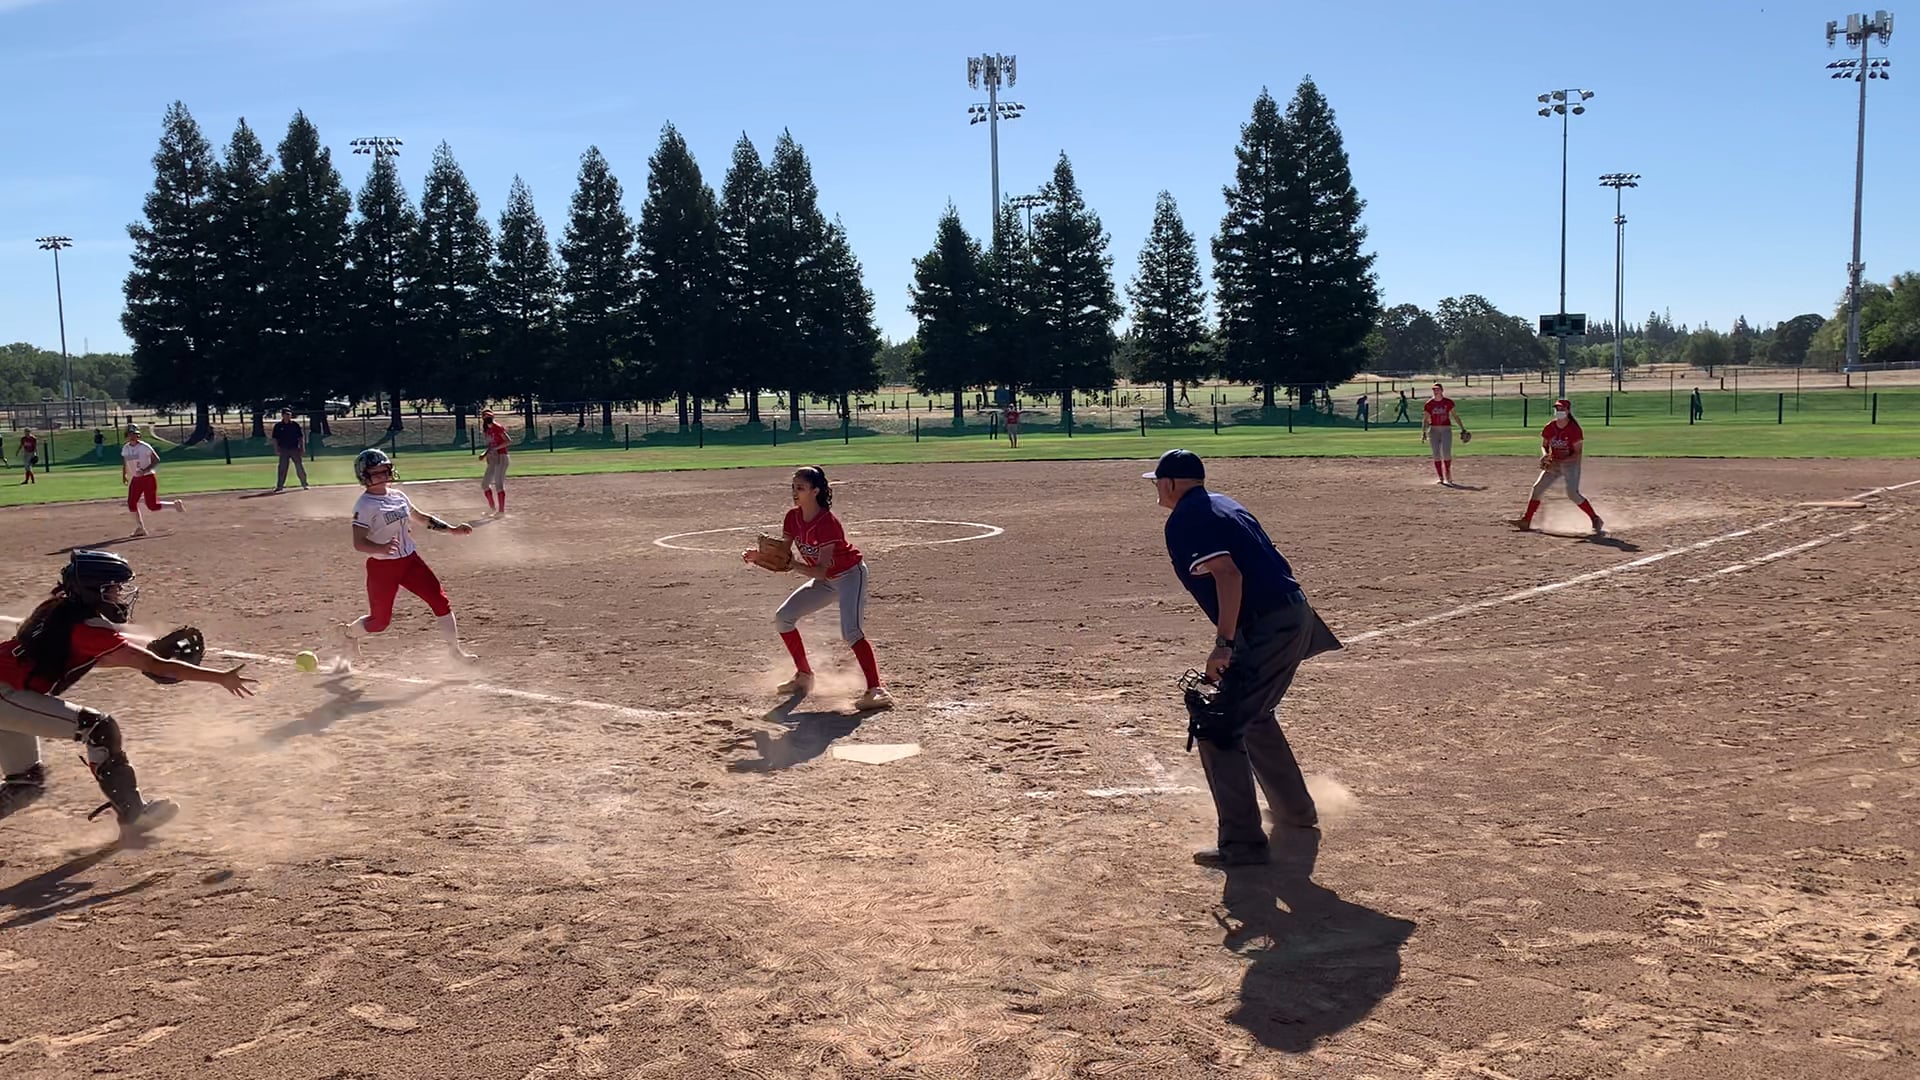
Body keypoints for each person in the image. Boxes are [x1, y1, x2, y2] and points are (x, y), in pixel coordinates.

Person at [1145, 449, 1342, 868]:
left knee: (1218, 725)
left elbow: (1228, 574)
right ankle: (1295, 810)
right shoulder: (1224, 504)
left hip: (1268, 624)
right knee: (1253, 714)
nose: (1156, 489)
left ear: (1171, 483)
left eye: (1158, 482)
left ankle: (1243, 844)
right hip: (1293, 615)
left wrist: (1224, 644)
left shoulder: (1187, 518)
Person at [0, 550, 258, 834]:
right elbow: (157, 666)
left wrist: (142, 660)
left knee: (26, 783)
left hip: (9, 694)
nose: (119, 594)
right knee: (99, 728)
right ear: (92, 591)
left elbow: (91, 657)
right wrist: (220, 677)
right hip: (5, 695)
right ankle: (135, 814)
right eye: (112, 588)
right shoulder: (87, 629)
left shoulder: (57, 609)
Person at [742, 466, 892, 712]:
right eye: (793, 487)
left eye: (801, 488)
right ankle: (804, 675)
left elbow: (821, 570)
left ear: (815, 491)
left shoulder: (828, 524)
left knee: (851, 631)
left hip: (849, 576)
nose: (795, 492)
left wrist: (793, 565)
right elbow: (783, 556)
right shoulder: (792, 517)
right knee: (783, 618)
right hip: (825, 581)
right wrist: (759, 557)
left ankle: (877, 689)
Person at [335, 448, 479, 667]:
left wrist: (452, 529)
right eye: (376, 472)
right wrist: (381, 548)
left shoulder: (398, 496)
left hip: (410, 561)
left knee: (439, 601)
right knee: (380, 621)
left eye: (385, 470)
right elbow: (359, 542)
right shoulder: (365, 505)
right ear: (364, 476)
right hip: (383, 567)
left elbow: (421, 518)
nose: (383, 475)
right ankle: (348, 634)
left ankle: (455, 651)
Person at [1511, 399, 1605, 534]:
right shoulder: (1550, 427)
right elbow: (1544, 445)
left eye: (1562, 409)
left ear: (1568, 411)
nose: (1559, 411)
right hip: (1554, 463)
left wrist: (1561, 461)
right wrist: (1545, 455)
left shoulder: (1574, 429)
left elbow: (1577, 453)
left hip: (1571, 464)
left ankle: (1595, 519)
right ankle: (1526, 520)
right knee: (1537, 488)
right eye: (1557, 409)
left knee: (1572, 494)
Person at [122, 425, 186, 536]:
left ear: (138, 435)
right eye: (130, 434)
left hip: (148, 478)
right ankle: (140, 528)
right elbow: (125, 462)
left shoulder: (144, 447)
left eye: (134, 434)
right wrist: (124, 474)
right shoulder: (125, 448)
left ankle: (175, 505)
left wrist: (145, 470)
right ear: (126, 435)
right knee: (131, 503)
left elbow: (156, 459)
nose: (132, 436)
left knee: (152, 505)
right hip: (136, 479)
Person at [1420, 383, 1470, 486]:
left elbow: (1455, 416)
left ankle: (1448, 475)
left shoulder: (1448, 402)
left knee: (1446, 452)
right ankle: (1441, 478)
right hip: (1433, 430)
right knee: (1436, 454)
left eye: (1437, 389)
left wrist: (1462, 428)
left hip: (1446, 429)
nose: (1435, 391)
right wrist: (1424, 432)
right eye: (1434, 390)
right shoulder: (1429, 404)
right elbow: (1425, 419)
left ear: (1442, 390)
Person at [479, 409, 511, 516]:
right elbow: (490, 446)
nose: (487, 419)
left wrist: (496, 448)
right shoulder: (487, 430)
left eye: (489, 417)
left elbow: (508, 441)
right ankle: (492, 509)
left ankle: (501, 511)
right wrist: (484, 454)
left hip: (501, 457)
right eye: (485, 417)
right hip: (492, 459)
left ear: (492, 417)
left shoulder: (497, 427)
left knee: (498, 485)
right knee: (485, 484)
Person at [272, 408, 309, 491]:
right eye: (286, 414)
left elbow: (300, 437)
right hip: (283, 450)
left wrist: (302, 447)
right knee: (282, 468)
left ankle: (304, 484)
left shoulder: (295, 425)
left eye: (289, 414)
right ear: (283, 415)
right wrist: (276, 449)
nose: (288, 416)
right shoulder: (278, 426)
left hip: (294, 449)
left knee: (299, 466)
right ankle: (280, 486)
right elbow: (275, 439)